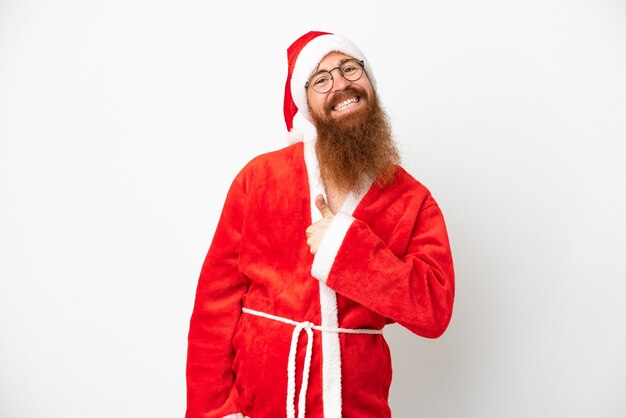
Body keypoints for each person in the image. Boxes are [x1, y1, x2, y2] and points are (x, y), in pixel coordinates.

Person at [186, 31, 455, 418]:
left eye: (350, 69)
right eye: (322, 79)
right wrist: (213, 411)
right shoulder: (259, 178)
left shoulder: (412, 200)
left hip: (357, 407)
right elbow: (215, 308)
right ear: (306, 106)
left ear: (370, 84)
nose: (341, 84)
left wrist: (350, 251)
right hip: (259, 406)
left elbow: (433, 310)